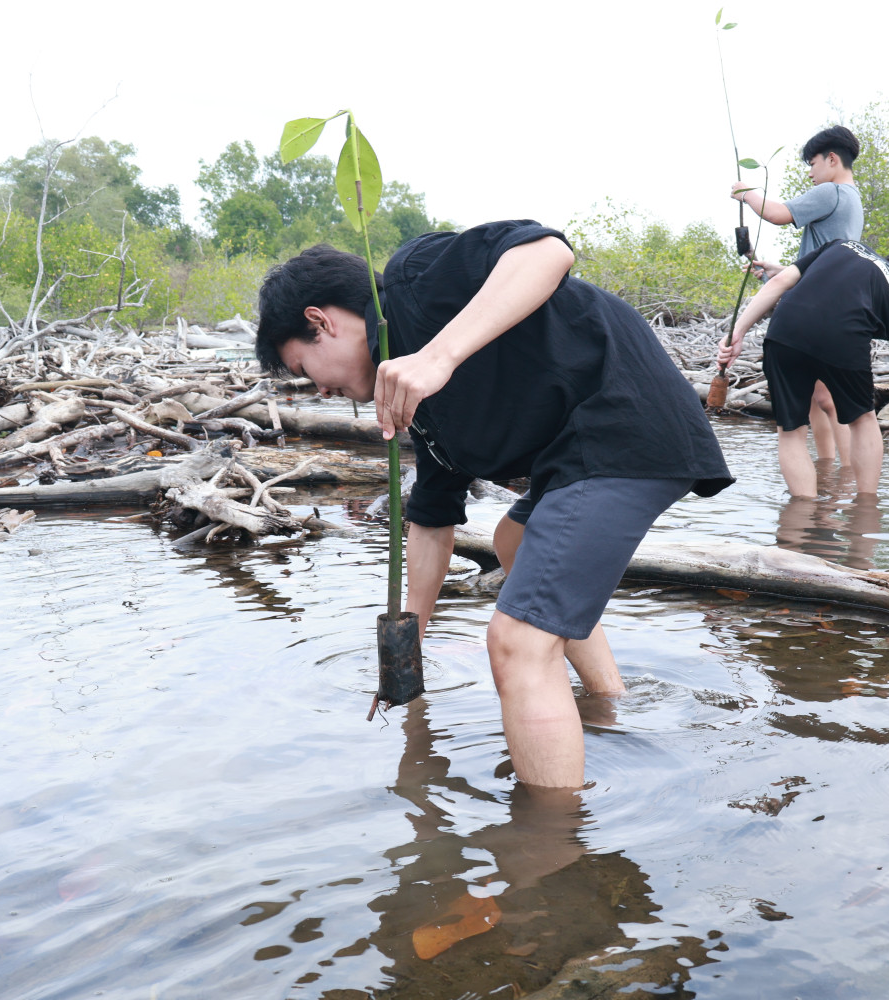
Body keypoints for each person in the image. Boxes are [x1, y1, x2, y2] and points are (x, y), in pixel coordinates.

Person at [256, 221, 733, 789]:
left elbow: (548, 251)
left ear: (321, 322)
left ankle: (549, 853)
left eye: (306, 371)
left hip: (623, 428)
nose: (322, 392)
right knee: (513, 541)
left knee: (516, 642)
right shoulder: (418, 402)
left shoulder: (415, 282)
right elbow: (431, 522)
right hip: (585, 452)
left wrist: (441, 355)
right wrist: (411, 642)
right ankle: (609, 702)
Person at [716, 239, 889, 498]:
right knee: (862, 419)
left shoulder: (841, 245)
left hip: (784, 329)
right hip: (843, 336)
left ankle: (801, 515)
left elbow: (778, 282)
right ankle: (865, 513)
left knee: (791, 431)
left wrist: (738, 332)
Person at [730, 125, 865, 465]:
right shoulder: (853, 201)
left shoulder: (832, 192)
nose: (810, 173)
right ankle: (827, 469)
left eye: (813, 163)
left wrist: (746, 192)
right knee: (817, 397)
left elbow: (776, 214)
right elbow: (823, 257)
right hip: (833, 302)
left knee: (826, 399)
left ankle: (845, 474)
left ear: (832, 159)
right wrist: (779, 271)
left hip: (817, 309)